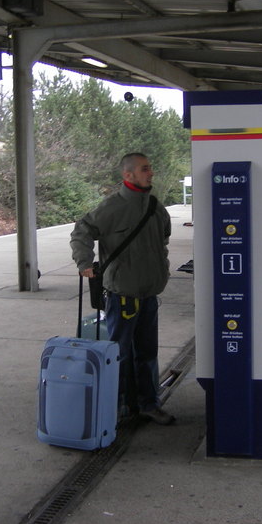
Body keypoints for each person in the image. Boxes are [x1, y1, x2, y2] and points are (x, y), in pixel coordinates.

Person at [70, 153, 174, 425]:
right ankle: (118, 408)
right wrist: (84, 262)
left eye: (150, 168)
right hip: (122, 296)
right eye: (144, 169)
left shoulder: (155, 206)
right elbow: (81, 231)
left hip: (149, 295)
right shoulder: (112, 207)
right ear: (128, 175)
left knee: (147, 354)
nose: (151, 173)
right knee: (119, 354)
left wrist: (161, 267)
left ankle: (149, 404)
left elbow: (163, 238)